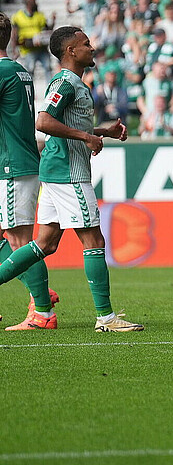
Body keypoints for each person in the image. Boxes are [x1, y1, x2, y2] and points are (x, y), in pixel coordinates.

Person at [0, 26, 142, 332]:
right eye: (86, 44)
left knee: (44, 244)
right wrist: (86, 137)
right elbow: (44, 121)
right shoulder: (65, 83)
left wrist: (102, 132)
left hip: (54, 171)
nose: (91, 48)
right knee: (93, 239)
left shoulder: (74, 83)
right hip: (69, 172)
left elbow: (67, 123)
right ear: (71, 52)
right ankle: (106, 318)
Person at [0, 12, 59, 330]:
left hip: (12, 167)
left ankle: (42, 311)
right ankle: (39, 292)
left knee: (20, 240)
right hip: (15, 161)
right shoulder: (19, 70)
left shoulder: (1, 71)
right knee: (7, 237)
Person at [11, 0, 51, 78]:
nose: (36, 4)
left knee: (48, 67)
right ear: (28, 4)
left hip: (41, 47)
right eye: (34, 2)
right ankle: (30, 89)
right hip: (27, 48)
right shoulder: (18, 16)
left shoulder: (40, 15)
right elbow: (14, 34)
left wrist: (53, 21)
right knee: (30, 70)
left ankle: (50, 88)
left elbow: (47, 30)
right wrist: (14, 48)